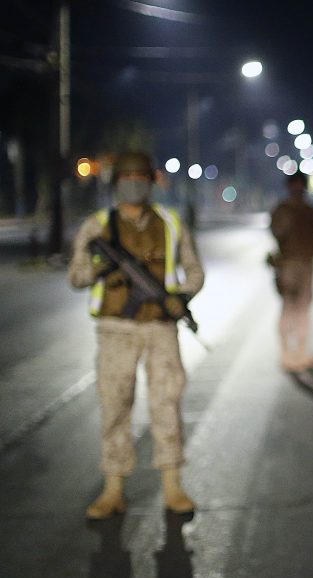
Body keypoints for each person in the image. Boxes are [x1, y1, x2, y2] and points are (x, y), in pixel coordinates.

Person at [68, 151, 204, 519]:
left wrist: (180, 298)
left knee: (167, 403)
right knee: (115, 405)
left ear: (151, 182)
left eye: (140, 177)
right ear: (116, 183)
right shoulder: (98, 226)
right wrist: (101, 265)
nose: (133, 183)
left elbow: (194, 271)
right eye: (126, 177)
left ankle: (173, 485)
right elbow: (76, 277)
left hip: (160, 327)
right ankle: (114, 489)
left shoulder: (171, 222)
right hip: (116, 329)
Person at [269, 172, 313, 372]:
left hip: (306, 263)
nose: (298, 189)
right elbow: (277, 231)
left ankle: (301, 352)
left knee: (303, 310)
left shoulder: (309, 210)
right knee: (289, 308)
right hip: (288, 264)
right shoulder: (283, 209)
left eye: (300, 185)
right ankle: (286, 353)